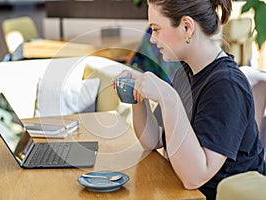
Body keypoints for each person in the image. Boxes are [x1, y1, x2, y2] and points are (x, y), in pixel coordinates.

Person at [113, 0, 266, 199]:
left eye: (157, 29)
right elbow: (154, 140)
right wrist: (137, 95)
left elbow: (195, 177)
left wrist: (168, 97)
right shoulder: (185, 74)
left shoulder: (226, 86)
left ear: (186, 27)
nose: (152, 39)